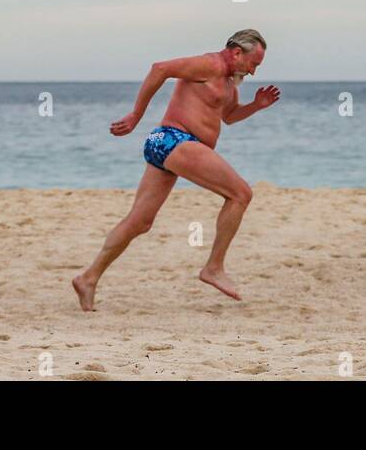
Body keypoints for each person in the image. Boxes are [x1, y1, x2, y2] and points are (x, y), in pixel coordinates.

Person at [72, 29, 280, 310]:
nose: (254, 71)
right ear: (237, 52)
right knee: (240, 194)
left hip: (166, 145)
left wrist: (255, 106)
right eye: (253, 63)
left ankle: (88, 278)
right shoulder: (210, 64)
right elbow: (161, 69)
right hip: (176, 140)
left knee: (140, 222)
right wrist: (136, 115)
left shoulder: (230, 84)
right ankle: (213, 267)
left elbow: (228, 117)